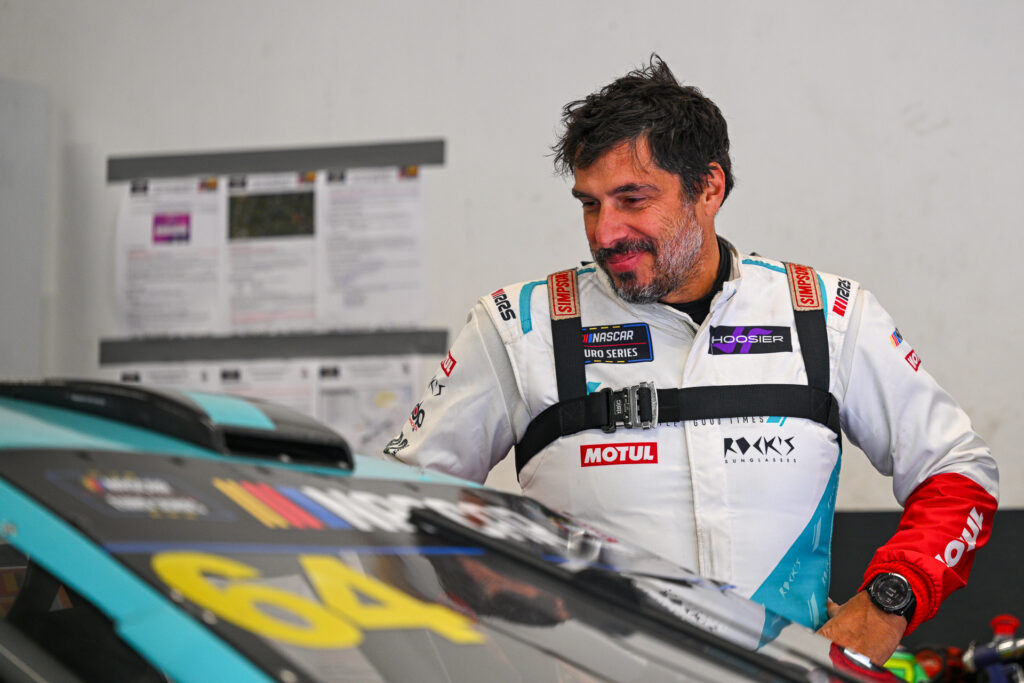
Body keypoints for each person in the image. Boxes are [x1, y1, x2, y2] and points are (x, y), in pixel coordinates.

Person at [381, 56, 998, 665]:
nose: (605, 233)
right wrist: (487, 597)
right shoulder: (520, 325)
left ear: (710, 187)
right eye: (590, 203)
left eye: (632, 199)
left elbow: (957, 468)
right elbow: (394, 504)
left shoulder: (825, 314)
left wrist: (887, 603)